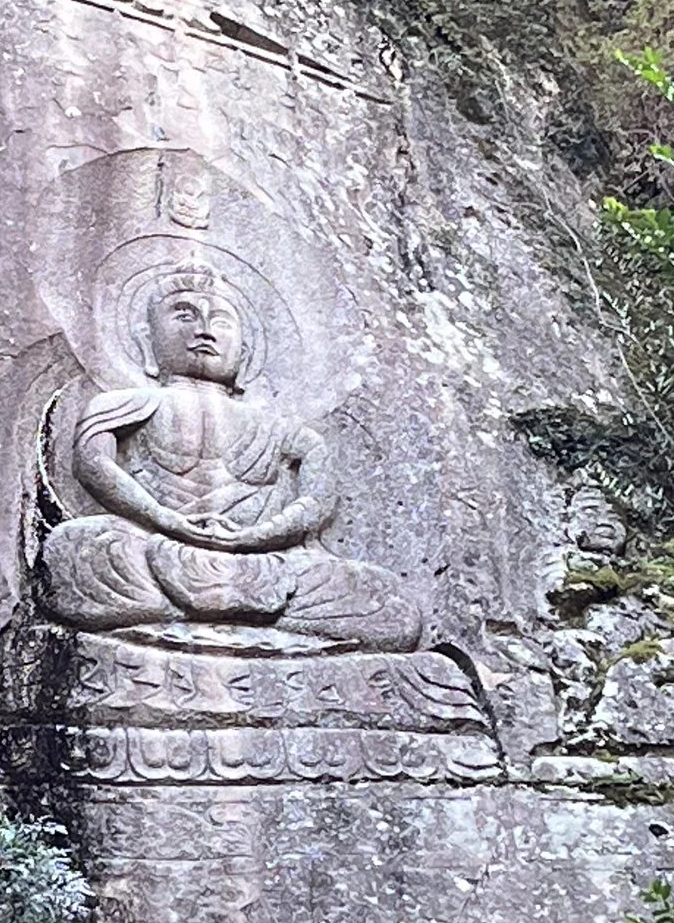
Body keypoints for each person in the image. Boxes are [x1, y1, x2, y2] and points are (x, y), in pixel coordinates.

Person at [39, 269, 421, 651]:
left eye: (220, 320)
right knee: (77, 553)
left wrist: (255, 537)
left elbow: (316, 500)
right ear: (146, 341)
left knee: (387, 604)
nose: (204, 331)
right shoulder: (124, 404)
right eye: (184, 315)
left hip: (266, 566)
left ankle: (205, 618)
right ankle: (250, 625)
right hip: (153, 550)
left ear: (245, 353)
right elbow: (92, 463)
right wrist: (165, 519)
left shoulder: (281, 429)